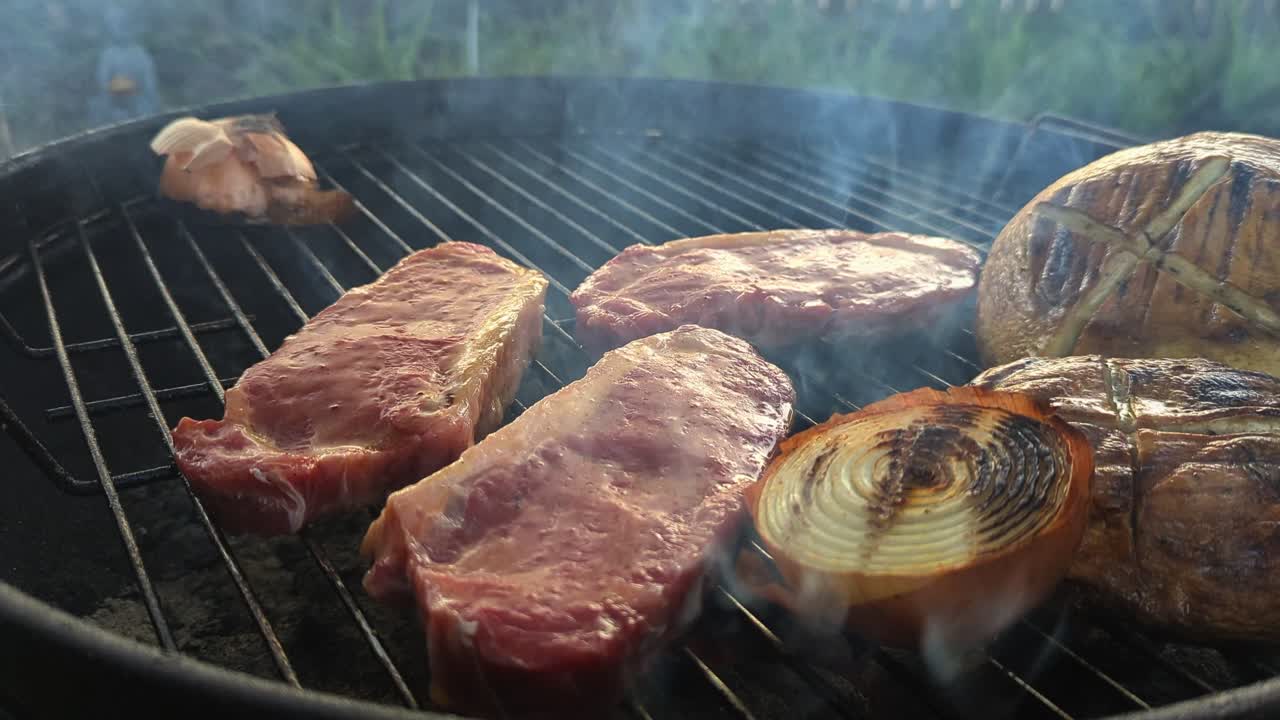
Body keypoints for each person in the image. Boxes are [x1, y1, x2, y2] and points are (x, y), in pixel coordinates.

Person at [88, 3, 159, 128]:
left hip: (139, 103)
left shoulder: (140, 54)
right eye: (115, 24)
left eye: (123, 24)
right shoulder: (108, 55)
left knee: (145, 112)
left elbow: (149, 85)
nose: (120, 28)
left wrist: (139, 95)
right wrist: (115, 97)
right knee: (97, 108)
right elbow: (103, 83)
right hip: (114, 105)